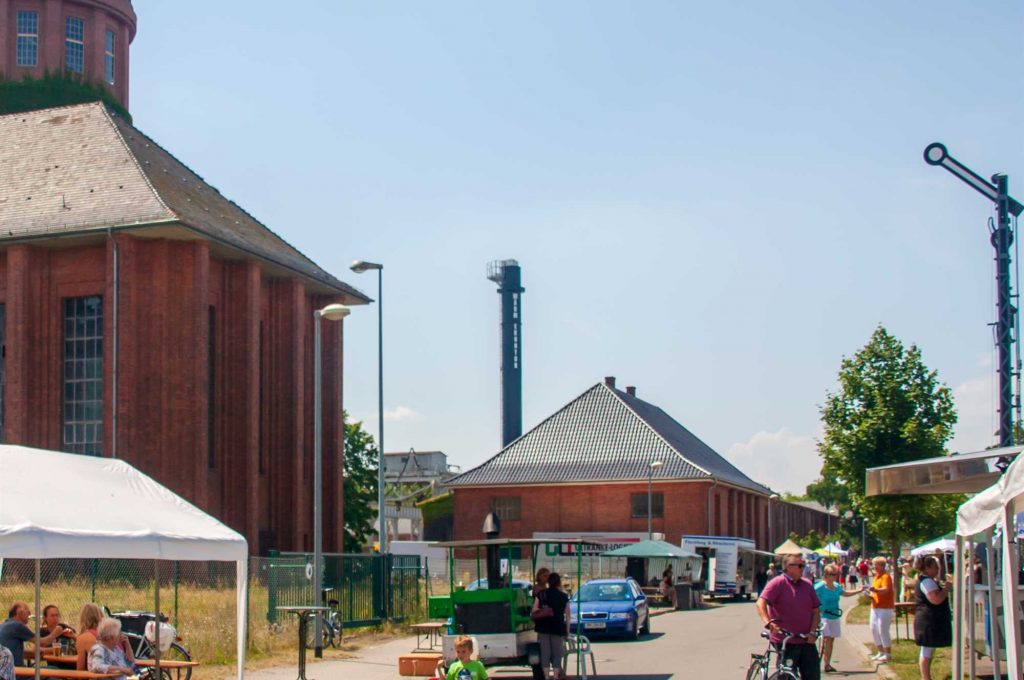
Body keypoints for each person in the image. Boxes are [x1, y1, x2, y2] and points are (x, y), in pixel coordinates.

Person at [756, 553, 821, 680]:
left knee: (812, 675)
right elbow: (760, 603)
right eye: (800, 566)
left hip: (806, 639)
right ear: (788, 567)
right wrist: (768, 622)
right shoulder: (778, 583)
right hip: (785, 640)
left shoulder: (807, 584)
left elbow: (815, 611)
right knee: (786, 676)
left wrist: (813, 632)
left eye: (803, 566)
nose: (803, 569)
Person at [815, 563, 861, 673]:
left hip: (834, 616)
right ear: (825, 574)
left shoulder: (836, 586)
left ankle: (827, 663)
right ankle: (821, 662)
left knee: (831, 640)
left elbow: (845, 593)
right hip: (823, 616)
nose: (835, 576)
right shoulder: (819, 587)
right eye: (832, 574)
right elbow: (810, 598)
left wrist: (858, 590)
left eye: (836, 574)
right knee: (826, 639)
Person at [914, 555, 952, 680]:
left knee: (928, 650)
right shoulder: (927, 582)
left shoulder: (926, 580)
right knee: (926, 651)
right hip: (928, 621)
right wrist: (946, 588)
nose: (937, 570)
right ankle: (926, 678)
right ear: (929, 567)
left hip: (929, 619)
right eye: (936, 567)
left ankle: (926, 677)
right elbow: (935, 599)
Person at [0, 602, 67, 666]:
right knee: (53, 671)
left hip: (6, 671)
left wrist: (39, 652)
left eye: (57, 615)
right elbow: (42, 643)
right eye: (27, 610)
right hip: (15, 673)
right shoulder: (17, 625)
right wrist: (55, 633)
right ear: (19, 612)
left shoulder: (4, 625)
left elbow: (14, 652)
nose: (29, 613)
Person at [532, 571, 570, 680]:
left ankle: (547, 676)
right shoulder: (563, 596)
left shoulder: (541, 594)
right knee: (557, 654)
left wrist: (544, 610)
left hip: (543, 627)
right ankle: (556, 676)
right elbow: (567, 616)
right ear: (559, 582)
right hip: (558, 628)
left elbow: (534, 610)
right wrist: (567, 632)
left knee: (545, 653)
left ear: (548, 582)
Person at [865, 556, 895, 663]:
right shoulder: (876, 577)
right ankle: (880, 651)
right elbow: (875, 591)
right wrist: (870, 594)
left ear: (882, 566)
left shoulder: (886, 577)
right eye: (874, 565)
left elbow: (886, 590)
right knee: (873, 628)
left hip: (885, 607)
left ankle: (888, 653)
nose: (874, 567)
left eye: (876, 565)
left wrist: (876, 590)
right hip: (875, 606)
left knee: (883, 629)